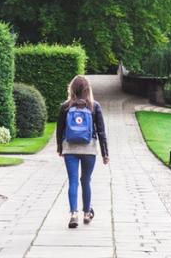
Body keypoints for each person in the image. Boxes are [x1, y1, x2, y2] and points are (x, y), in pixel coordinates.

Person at [56, 75, 109, 229]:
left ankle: (73, 214)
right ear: (88, 89)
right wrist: (105, 153)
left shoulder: (65, 106)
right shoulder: (94, 106)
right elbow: (101, 132)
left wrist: (60, 148)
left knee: (72, 181)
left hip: (70, 148)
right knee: (85, 180)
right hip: (89, 148)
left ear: (72, 88)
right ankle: (87, 213)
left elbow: (59, 130)